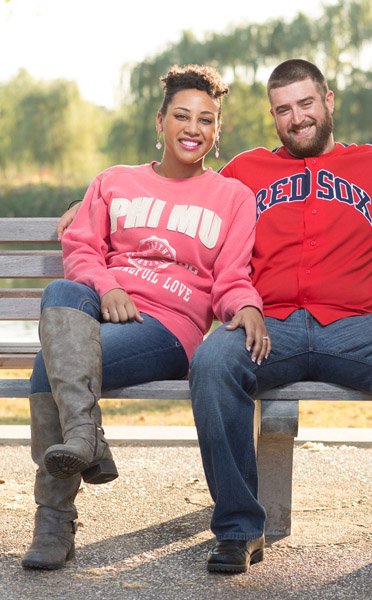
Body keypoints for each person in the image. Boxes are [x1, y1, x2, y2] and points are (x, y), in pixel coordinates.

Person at [57, 59, 372, 576]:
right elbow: (179, 182)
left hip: (354, 327)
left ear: (328, 101)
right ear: (273, 117)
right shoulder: (245, 172)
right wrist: (89, 205)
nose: (296, 117)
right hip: (269, 326)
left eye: (305, 104)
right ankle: (239, 528)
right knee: (214, 362)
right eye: (283, 109)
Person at [22, 64, 269, 571]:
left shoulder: (232, 198)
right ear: (160, 121)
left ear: (217, 130)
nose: (193, 128)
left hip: (167, 328)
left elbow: (231, 275)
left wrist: (245, 306)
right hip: (100, 310)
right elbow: (81, 250)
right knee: (60, 289)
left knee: (50, 368)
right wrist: (109, 287)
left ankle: (54, 519)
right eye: (182, 115)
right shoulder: (115, 182)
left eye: (206, 119)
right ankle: (86, 442)